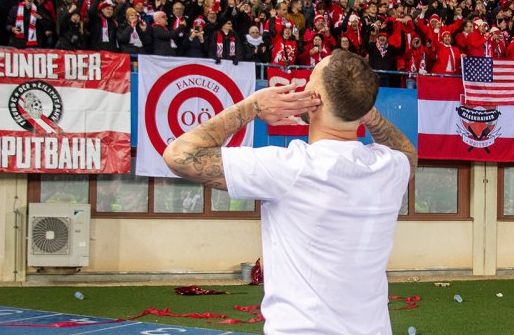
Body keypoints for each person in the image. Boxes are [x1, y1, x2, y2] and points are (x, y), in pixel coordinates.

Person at [163, 49, 418, 334]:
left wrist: (253, 107)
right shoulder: (388, 167)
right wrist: (367, 114)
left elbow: (179, 155)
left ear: (313, 102)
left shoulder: (290, 168)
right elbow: (407, 153)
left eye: (309, 80)